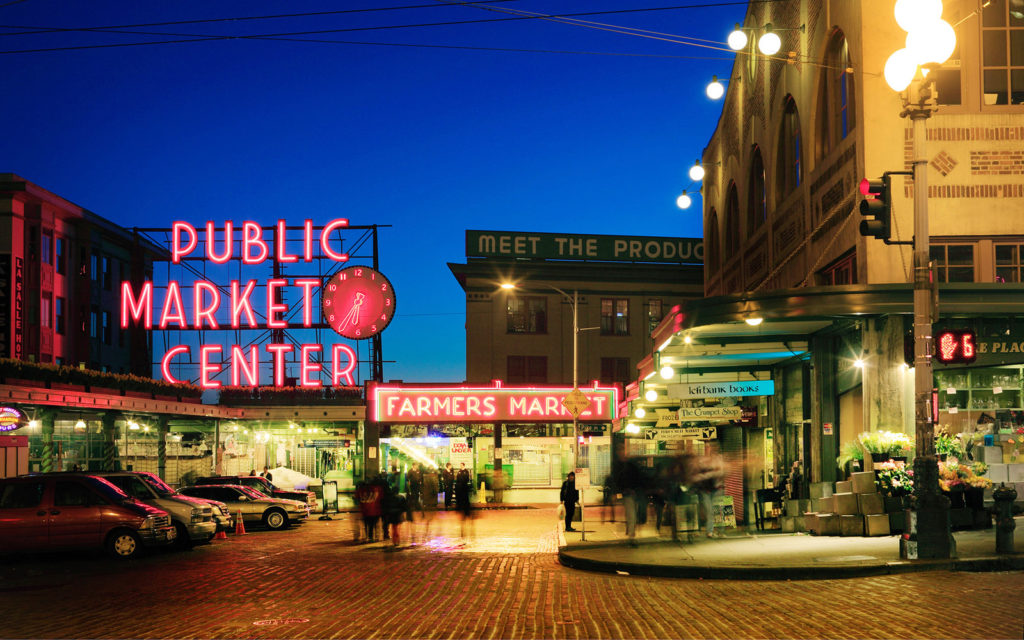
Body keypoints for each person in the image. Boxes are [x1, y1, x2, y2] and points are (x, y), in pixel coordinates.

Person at [689, 444, 725, 538]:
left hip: (717, 488)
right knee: (709, 511)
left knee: (718, 510)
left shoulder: (718, 459)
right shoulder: (701, 461)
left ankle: (720, 531)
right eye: (706, 447)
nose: (708, 448)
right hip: (706, 490)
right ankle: (710, 531)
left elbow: (721, 472)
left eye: (710, 446)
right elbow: (698, 474)